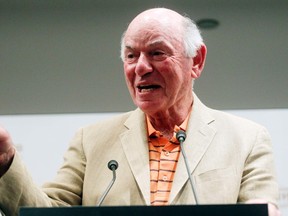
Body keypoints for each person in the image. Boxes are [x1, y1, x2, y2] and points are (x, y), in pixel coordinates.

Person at [0, 7, 281, 216]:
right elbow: (45, 213)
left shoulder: (247, 139)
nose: (141, 67)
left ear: (196, 61)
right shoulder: (91, 141)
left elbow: (260, 210)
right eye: (131, 55)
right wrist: (5, 163)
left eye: (157, 53)